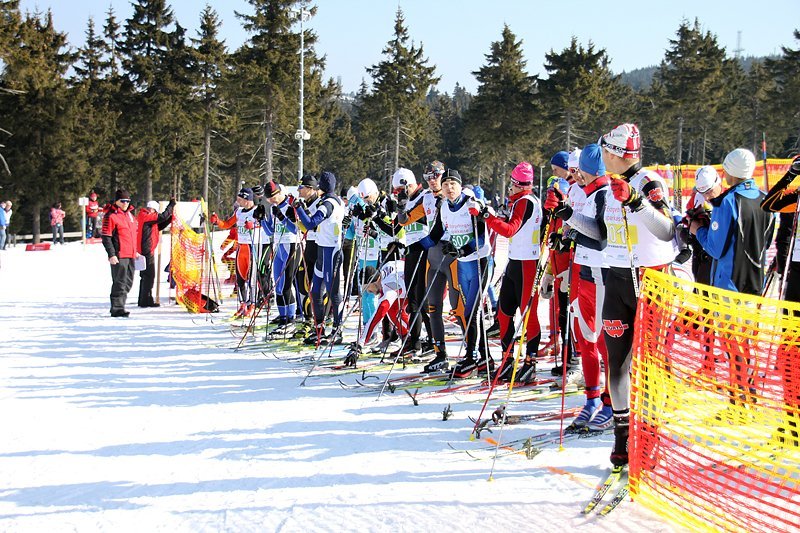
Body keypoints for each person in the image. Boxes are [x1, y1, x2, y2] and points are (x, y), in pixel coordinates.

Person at [599, 123, 677, 467]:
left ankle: (649, 436)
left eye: (605, 151)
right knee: (617, 363)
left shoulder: (649, 182)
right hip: (616, 278)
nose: (602, 157)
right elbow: (599, 233)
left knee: (649, 364)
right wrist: (569, 219)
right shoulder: (606, 187)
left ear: (616, 154)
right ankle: (622, 436)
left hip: (650, 278)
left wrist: (636, 201)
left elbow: (668, 229)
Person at [546, 144, 613, 430]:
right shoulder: (585, 193)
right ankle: (591, 399)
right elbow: (582, 229)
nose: (575, 175)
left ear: (590, 170)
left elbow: (600, 237)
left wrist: (568, 218)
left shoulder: (604, 194)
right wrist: (566, 237)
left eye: (579, 170)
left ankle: (610, 402)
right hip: (583, 272)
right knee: (585, 340)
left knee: (604, 343)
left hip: (602, 274)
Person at [420, 169, 493, 378]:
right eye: (445, 184)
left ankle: (471, 357)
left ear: (460, 186)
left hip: (479, 263)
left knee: (471, 312)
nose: (449, 188)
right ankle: (485, 358)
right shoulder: (444, 207)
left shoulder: (471, 204)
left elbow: (480, 239)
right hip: (463, 266)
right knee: (471, 312)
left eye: (453, 184)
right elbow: (434, 235)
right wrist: (412, 247)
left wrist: (461, 251)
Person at [478, 162, 543, 384]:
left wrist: (487, 218)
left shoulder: (525, 201)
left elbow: (509, 230)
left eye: (512, 184)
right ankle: (507, 360)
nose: (510, 188)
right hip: (515, 263)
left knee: (527, 316)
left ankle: (530, 363)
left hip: (527, 265)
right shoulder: (519, 201)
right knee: (504, 313)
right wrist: (494, 216)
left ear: (518, 184)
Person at [690, 148, 775, 295]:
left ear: (731, 171)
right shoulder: (766, 199)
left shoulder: (727, 201)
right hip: (756, 283)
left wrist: (698, 230)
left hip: (729, 286)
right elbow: (765, 243)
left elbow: (715, 249)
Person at [760, 154, 800, 448]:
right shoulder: (797, 196)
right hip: (796, 272)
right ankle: (792, 421)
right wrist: (790, 175)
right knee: (790, 352)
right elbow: (769, 204)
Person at [294, 170, 346, 346]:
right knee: (315, 291)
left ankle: (337, 330)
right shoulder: (329, 201)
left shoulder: (328, 203)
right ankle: (319, 329)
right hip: (322, 250)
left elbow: (310, 224)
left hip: (331, 251)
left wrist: (298, 208)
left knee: (332, 292)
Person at [343, 262, 410, 367]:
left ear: (374, 281)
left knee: (387, 309)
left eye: (368, 289)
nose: (370, 292)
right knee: (392, 311)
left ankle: (422, 340)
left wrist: (359, 345)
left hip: (419, 283)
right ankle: (408, 339)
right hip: (406, 284)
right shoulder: (383, 272)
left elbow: (376, 318)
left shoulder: (388, 288)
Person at [257, 180, 300, 334]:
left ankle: (291, 319)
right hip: (279, 247)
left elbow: (295, 229)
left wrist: (282, 217)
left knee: (287, 286)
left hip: (291, 247)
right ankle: (283, 319)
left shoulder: (290, 205)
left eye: (274, 196)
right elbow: (270, 231)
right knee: (279, 287)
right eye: (269, 198)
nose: (272, 200)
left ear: (280, 192)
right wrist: (261, 219)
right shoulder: (273, 208)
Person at [210, 188, 259, 318]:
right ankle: (243, 305)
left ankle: (252, 305)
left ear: (247, 199)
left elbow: (264, 226)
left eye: (240, 199)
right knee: (240, 279)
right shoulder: (239, 211)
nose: (238, 202)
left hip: (251, 247)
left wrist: (254, 225)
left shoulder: (256, 211)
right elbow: (227, 224)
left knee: (251, 279)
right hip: (241, 248)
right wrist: (217, 221)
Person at [101, 189, 140, 317]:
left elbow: (132, 234)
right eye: (122, 201)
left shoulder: (130, 215)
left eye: (128, 201)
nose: (125, 203)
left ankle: (120, 304)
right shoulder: (111, 216)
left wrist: (136, 251)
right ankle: (117, 308)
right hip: (119, 254)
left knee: (128, 282)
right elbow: (106, 237)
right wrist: (111, 254)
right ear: (116, 201)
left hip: (130, 254)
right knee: (120, 282)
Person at [136, 199, 175, 307]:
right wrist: (171, 205)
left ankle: (143, 300)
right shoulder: (146, 216)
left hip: (145, 249)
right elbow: (162, 217)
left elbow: (158, 226)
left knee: (145, 276)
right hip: (146, 250)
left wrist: (170, 219)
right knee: (149, 276)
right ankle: (146, 301)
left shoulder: (145, 217)